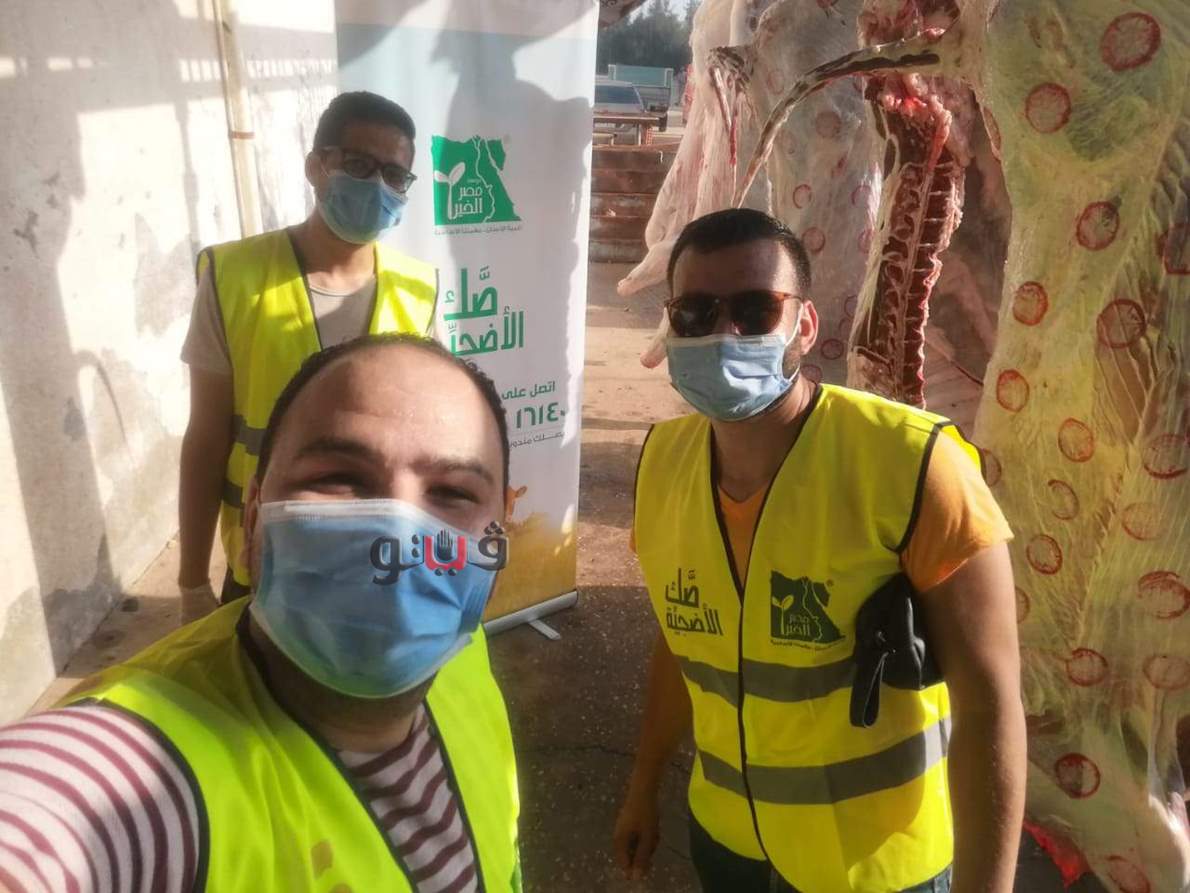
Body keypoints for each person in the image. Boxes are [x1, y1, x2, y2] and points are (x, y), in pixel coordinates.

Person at [0, 335, 521, 892]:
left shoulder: (465, 653)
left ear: (501, 536)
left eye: (453, 492)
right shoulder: (139, 779)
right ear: (253, 521)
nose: (395, 537)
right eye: (338, 478)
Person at [613, 209, 1025, 892]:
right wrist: (644, 782)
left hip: (873, 868)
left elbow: (990, 704)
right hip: (727, 842)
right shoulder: (662, 462)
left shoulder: (912, 462)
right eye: (695, 312)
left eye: (754, 309)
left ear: (804, 326)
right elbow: (680, 642)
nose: (724, 333)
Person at [179, 91, 439, 613]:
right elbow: (206, 438)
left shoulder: (419, 288)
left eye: (394, 175)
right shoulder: (234, 277)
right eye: (359, 165)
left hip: (378, 564)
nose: (377, 185)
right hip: (264, 561)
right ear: (316, 167)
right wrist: (191, 583)